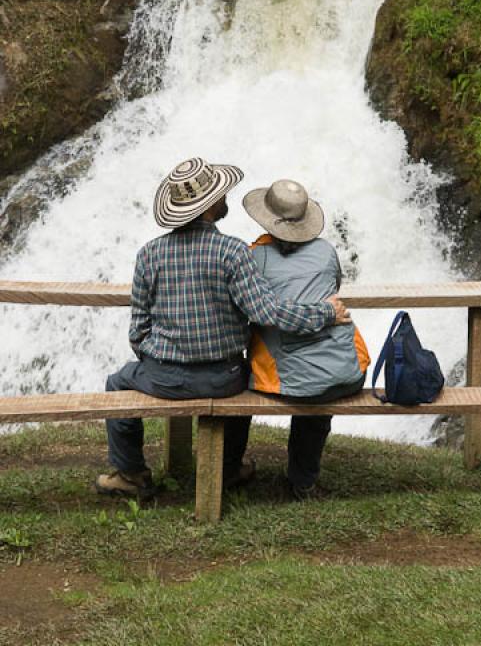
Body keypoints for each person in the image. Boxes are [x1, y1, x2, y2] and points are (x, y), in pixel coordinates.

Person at [96, 158, 351, 499]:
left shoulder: (149, 255)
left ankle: (130, 474)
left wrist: (158, 363)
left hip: (164, 377)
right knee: (246, 378)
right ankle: (228, 468)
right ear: (210, 206)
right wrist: (325, 313)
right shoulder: (233, 252)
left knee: (116, 385)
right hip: (224, 376)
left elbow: (138, 329)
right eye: (220, 192)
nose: (225, 195)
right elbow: (267, 312)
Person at [243, 178, 370, 500]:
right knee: (317, 378)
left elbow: (250, 309)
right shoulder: (326, 251)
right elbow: (334, 288)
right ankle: (303, 481)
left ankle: (230, 468)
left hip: (291, 382)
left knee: (235, 379)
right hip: (347, 372)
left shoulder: (253, 257)